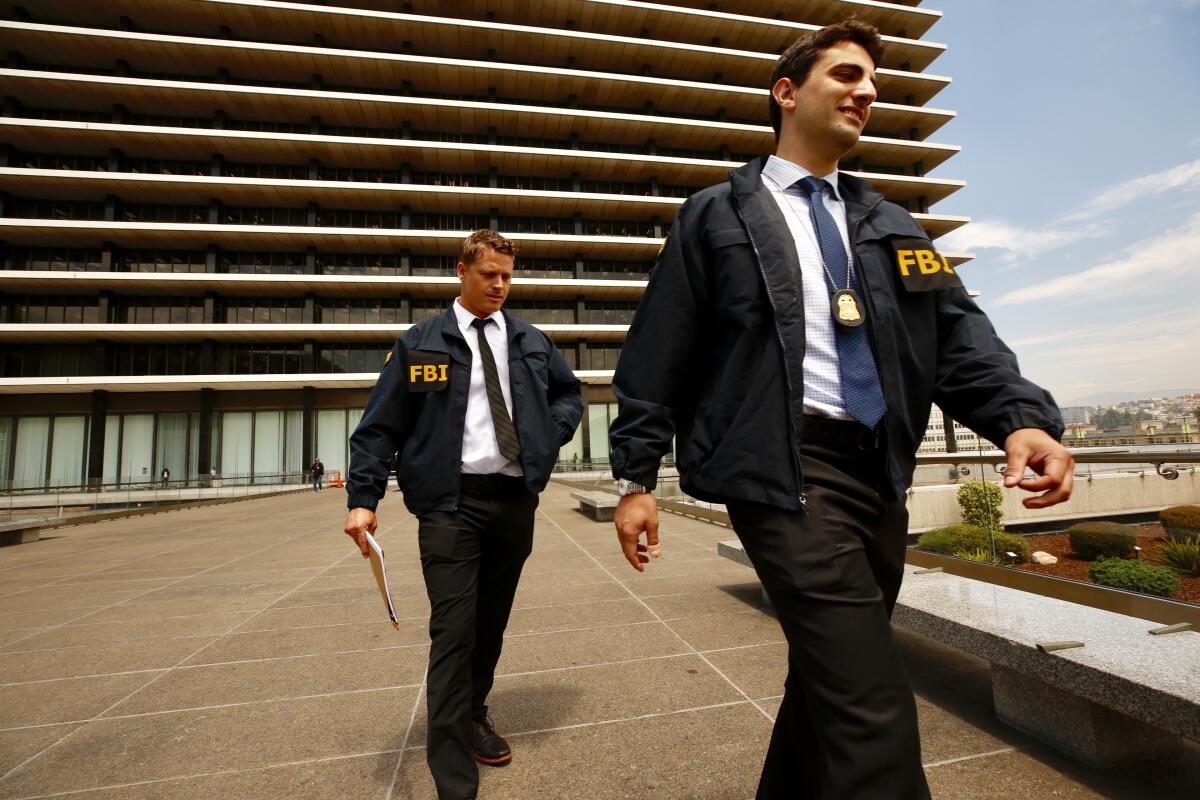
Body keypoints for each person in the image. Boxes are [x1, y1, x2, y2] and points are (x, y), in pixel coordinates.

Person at [608, 20, 1074, 800]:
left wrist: (1021, 419)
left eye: (874, 84)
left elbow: (958, 337)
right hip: (783, 471)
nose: (868, 92)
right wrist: (634, 477)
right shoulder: (716, 215)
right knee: (872, 704)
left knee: (826, 681)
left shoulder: (894, 225)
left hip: (876, 472)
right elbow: (658, 354)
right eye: (848, 76)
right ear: (787, 93)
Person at [344, 229, 583, 800]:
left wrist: (545, 438)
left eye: (507, 276)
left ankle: (474, 712)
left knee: (489, 622)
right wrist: (362, 499)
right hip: (450, 505)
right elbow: (381, 426)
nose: (500, 285)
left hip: (512, 500)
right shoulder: (420, 342)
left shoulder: (528, 339)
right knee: (453, 630)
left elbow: (568, 394)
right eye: (489, 275)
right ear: (462, 272)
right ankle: (453, 775)